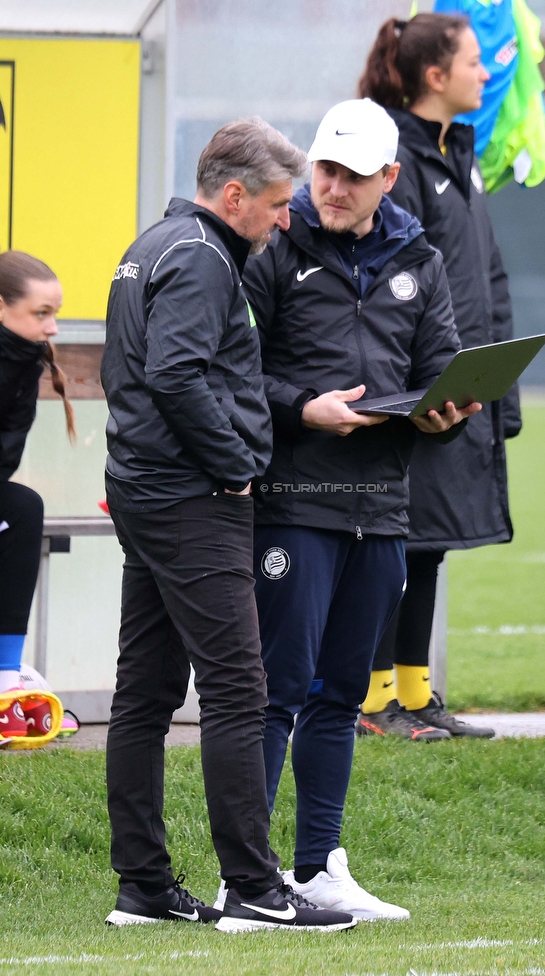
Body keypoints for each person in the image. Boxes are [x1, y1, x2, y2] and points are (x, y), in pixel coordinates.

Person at [101, 118, 356, 933]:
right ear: (235, 195)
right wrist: (235, 462)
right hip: (191, 499)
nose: (287, 220)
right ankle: (252, 885)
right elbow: (174, 372)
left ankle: (142, 886)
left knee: (142, 694)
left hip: (145, 490)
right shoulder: (207, 258)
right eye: (279, 205)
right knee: (239, 689)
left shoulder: (152, 242)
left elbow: (126, 372)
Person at [243, 98, 480, 920]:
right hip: (293, 504)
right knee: (276, 690)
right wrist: (304, 406)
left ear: (388, 177)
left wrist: (448, 410)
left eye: (353, 174)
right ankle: (252, 874)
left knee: (341, 694)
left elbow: (439, 363)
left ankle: (318, 868)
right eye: (324, 169)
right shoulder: (272, 247)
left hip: (381, 509)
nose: (333, 187)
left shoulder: (420, 257)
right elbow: (238, 371)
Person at [356, 13, 522, 740]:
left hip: (462, 388)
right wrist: (414, 386)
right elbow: (397, 286)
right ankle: (369, 703)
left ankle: (418, 697)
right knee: (393, 543)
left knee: (428, 544)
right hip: (416, 391)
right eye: (473, 62)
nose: (484, 73)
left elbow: (485, 276)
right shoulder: (399, 160)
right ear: (435, 76)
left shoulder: (462, 152)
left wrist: (500, 389)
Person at [0, 251, 77, 746]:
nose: (51, 327)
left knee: (22, 508)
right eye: (40, 313)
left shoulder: (24, 359)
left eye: (55, 313)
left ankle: (6, 675)